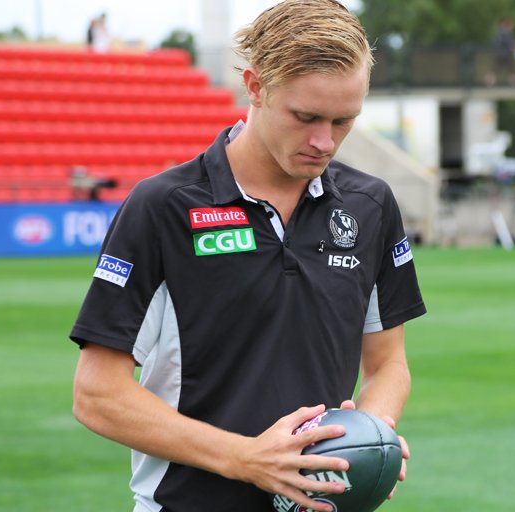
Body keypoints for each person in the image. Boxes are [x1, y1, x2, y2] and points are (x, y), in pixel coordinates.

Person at [68, 2, 426, 511]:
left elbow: (389, 364)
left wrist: (371, 438)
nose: (324, 141)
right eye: (305, 117)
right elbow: (97, 394)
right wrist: (245, 458)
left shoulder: (370, 206)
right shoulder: (163, 207)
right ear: (256, 87)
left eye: (344, 121)